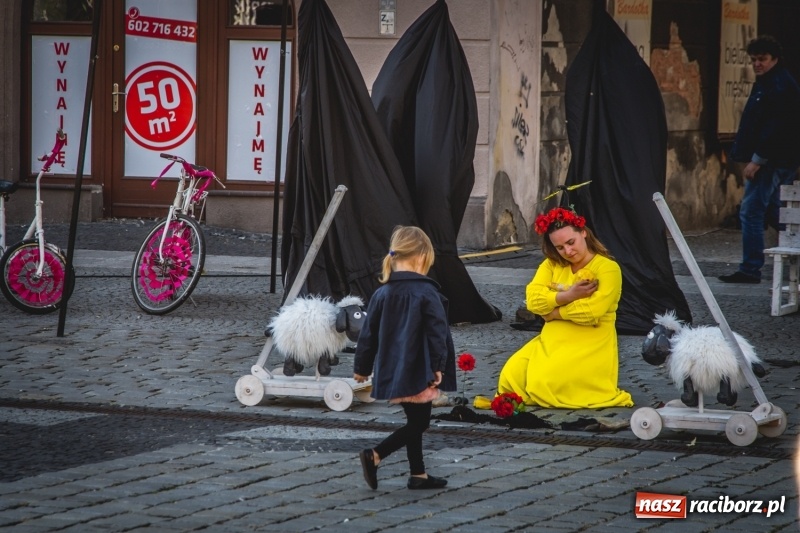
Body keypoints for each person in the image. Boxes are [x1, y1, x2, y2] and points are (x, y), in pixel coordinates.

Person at [495, 207, 634, 408]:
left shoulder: (607, 268)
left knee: (542, 382)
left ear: (583, 233)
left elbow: (591, 312)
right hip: (552, 339)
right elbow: (533, 300)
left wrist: (553, 313)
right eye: (560, 247)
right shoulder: (552, 265)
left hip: (590, 341)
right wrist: (569, 295)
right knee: (510, 377)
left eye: (571, 242)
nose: (568, 252)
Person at [353, 225, 456, 490]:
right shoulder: (426, 292)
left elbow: (368, 335)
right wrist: (438, 367)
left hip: (394, 369)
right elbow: (437, 334)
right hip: (420, 369)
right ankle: (376, 455)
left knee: (415, 420)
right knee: (419, 423)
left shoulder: (381, 293)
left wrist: (362, 368)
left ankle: (418, 474)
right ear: (422, 257)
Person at [720, 35, 800, 284]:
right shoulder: (770, 82)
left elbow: (776, 127)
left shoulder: (778, 85)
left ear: (775, 59)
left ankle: (750, 268)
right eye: (754, 59)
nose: (757, 64)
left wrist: (758, 159)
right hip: (776, 159)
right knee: (773, 210)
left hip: (771, 160)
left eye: (762, 59)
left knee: (751, 211)